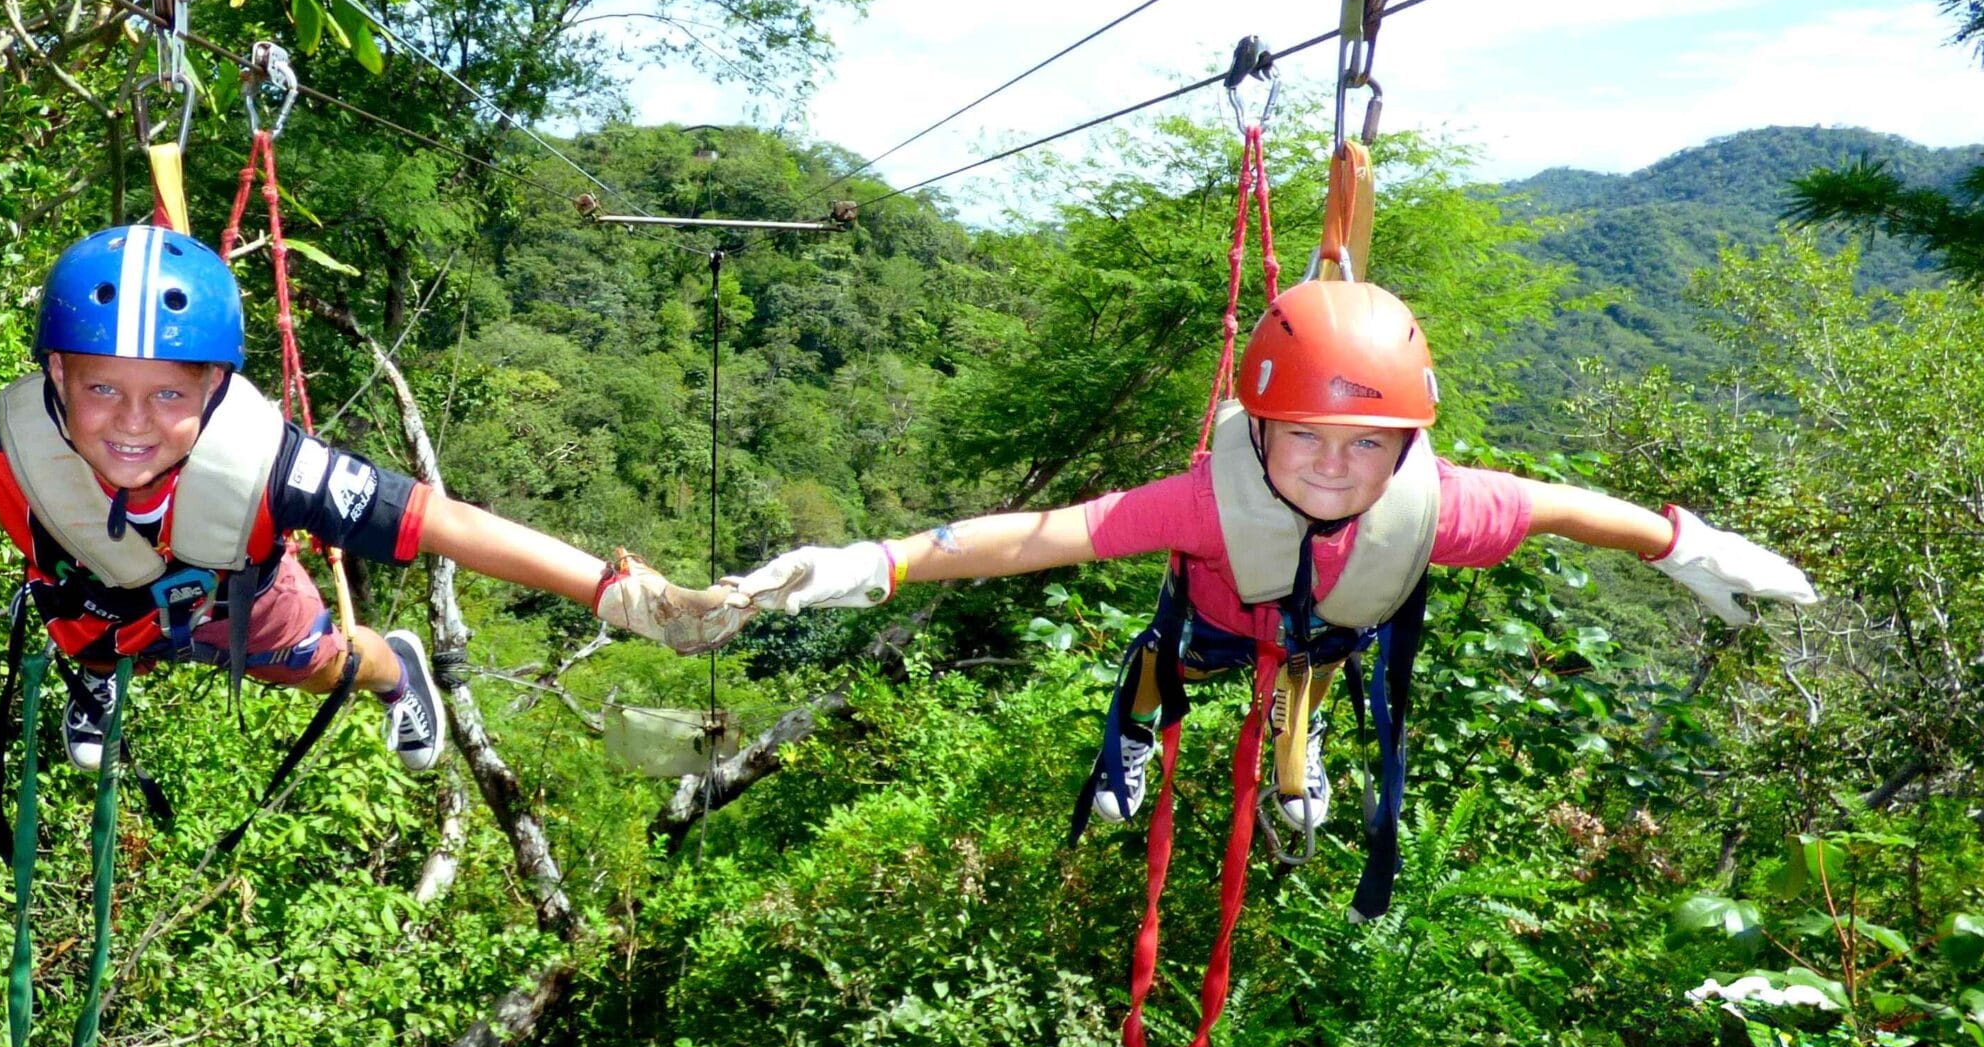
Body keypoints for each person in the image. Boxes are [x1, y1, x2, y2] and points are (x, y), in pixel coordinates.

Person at [0, 223, 737, 775]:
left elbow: (436, 521)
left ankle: (394, 665)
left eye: (168, 393)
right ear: (54, 376)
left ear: (217, 389)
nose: (130, 422)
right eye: (99, 386)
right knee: (88, 629)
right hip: (93, 601)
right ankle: (99, 682)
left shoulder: (270, 462)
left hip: (246, 605)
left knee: (320, 662)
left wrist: (610, 590)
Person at [707, 279, 1816, 834]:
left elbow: (1571, 511)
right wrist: (878, 562)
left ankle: (1302, 737)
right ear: (1261, 431)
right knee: (1172, 669)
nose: (1334, 467)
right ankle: (1129, 738)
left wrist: (1685, 544)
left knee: (1315, 666)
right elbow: (1048, 536)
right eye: (1305, 438)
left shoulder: (1446, 504)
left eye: (1366, 445)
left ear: (1406, 444)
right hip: (1217, 617)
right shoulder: (1202, 501)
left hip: (1326, 630)